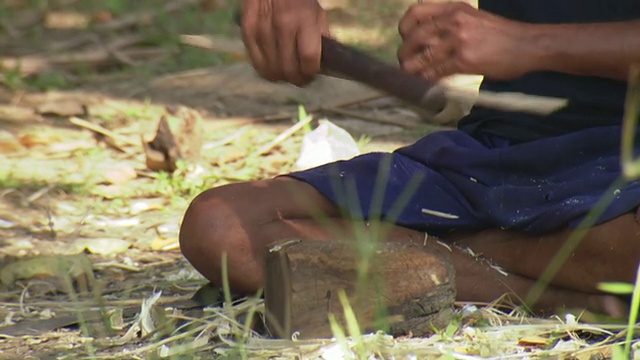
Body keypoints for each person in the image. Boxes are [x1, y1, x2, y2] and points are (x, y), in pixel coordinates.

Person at [179, 0, 640, 317]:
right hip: (502, 153)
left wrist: (530, 45)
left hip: (629, 157)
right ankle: (556, 293)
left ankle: (422, 258)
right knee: (224, 228)